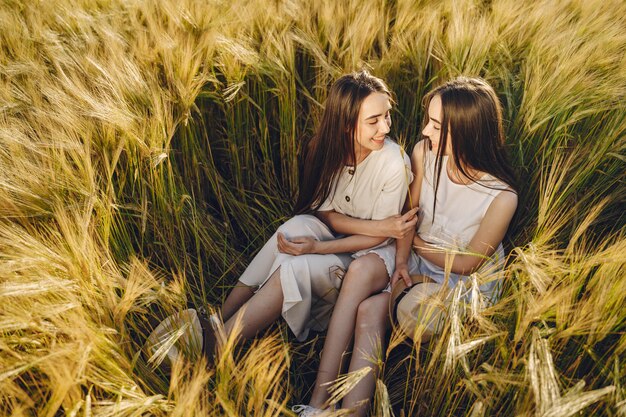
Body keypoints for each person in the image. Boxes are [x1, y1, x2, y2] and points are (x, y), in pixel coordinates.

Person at [293, 76, 518, 416]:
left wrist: (417, 244)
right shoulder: (423, 154)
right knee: (359, 270)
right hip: (414, 259)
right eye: (429, 121)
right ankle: (318, 402)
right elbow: (407, 218)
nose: (426, 131)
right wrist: (401, 261)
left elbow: (465, 265)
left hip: (456, 286)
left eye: (437, 125)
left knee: (370, 311)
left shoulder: (501, 196)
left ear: (467, 131)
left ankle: (352, 412)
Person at [172, 70, 415, 363]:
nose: (385, 128)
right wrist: (375, 225)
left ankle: (221, 345)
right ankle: (220, 319)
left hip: (365, 255)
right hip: (341, 233)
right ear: (346, 125)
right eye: (373, 121)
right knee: (290, 230)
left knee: (294, 267)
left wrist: (320, 247)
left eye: (387, 116)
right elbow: (326, 215)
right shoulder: (325, 150)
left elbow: (377, 237)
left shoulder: (392, 162)